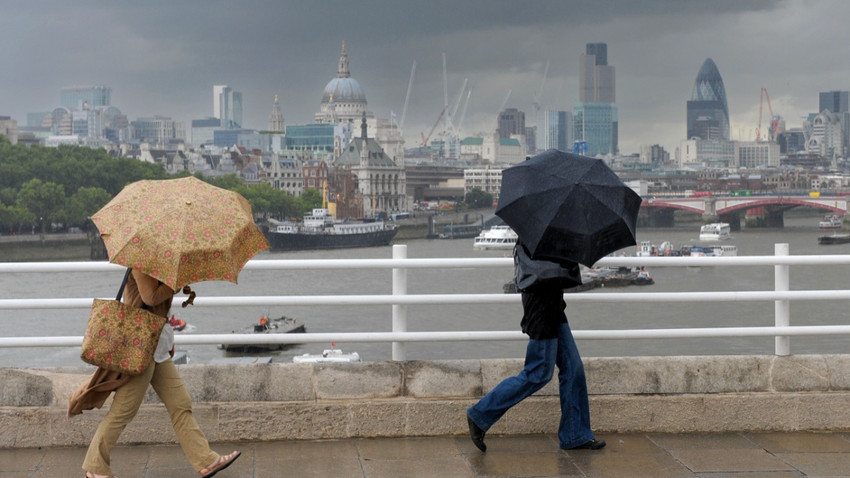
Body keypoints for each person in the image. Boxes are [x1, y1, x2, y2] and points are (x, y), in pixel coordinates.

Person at [77, 269, 240, 478]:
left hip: (155, 344)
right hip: (140, 349)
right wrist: (177, 282)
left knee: (180, 404)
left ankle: (206, 461)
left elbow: (158, 307)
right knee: (123, 411)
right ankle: (95, 467)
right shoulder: (141, 262)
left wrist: (167, 339)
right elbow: (150, 297)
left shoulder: (159, 263)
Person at [466, 241, 605, 452]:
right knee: (538, 372)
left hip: (553, 305)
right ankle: (480, 414)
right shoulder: (540, 234)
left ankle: (574, 434)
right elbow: (543, 271)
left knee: (573, 368)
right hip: (541, 306)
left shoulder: (551, 229)